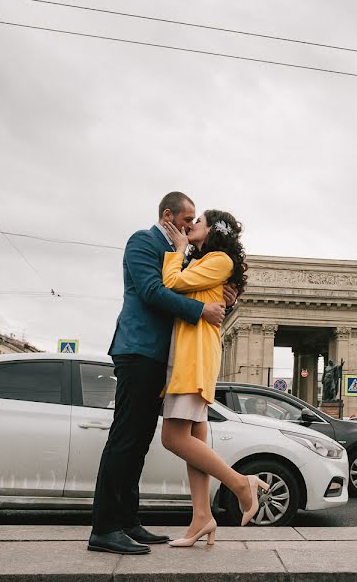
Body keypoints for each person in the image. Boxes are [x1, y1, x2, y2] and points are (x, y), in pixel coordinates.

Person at [89, 192, 234, 556]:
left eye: (193, 222)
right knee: (125, 437)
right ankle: (105, 528)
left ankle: (127, 521)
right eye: (186, 220)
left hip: (159, 357)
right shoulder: (143, 241)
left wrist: (222, 296)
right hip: (137, 349)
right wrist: (201, 311)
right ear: (168, 216)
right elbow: (153, 291)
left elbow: (189, 282)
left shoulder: (182, 252)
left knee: (138, 441)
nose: (189, 227)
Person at [160, 209, 269, 548]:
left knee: (172, 438)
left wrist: (177, 249)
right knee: (195, 443)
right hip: (191, 356)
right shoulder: (208, 263)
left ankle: (240, 484)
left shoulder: (219, 259)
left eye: (198, 222)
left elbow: (171, 283)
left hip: (193, 360)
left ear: (212, 232)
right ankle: (201, 518)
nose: (191, 226)